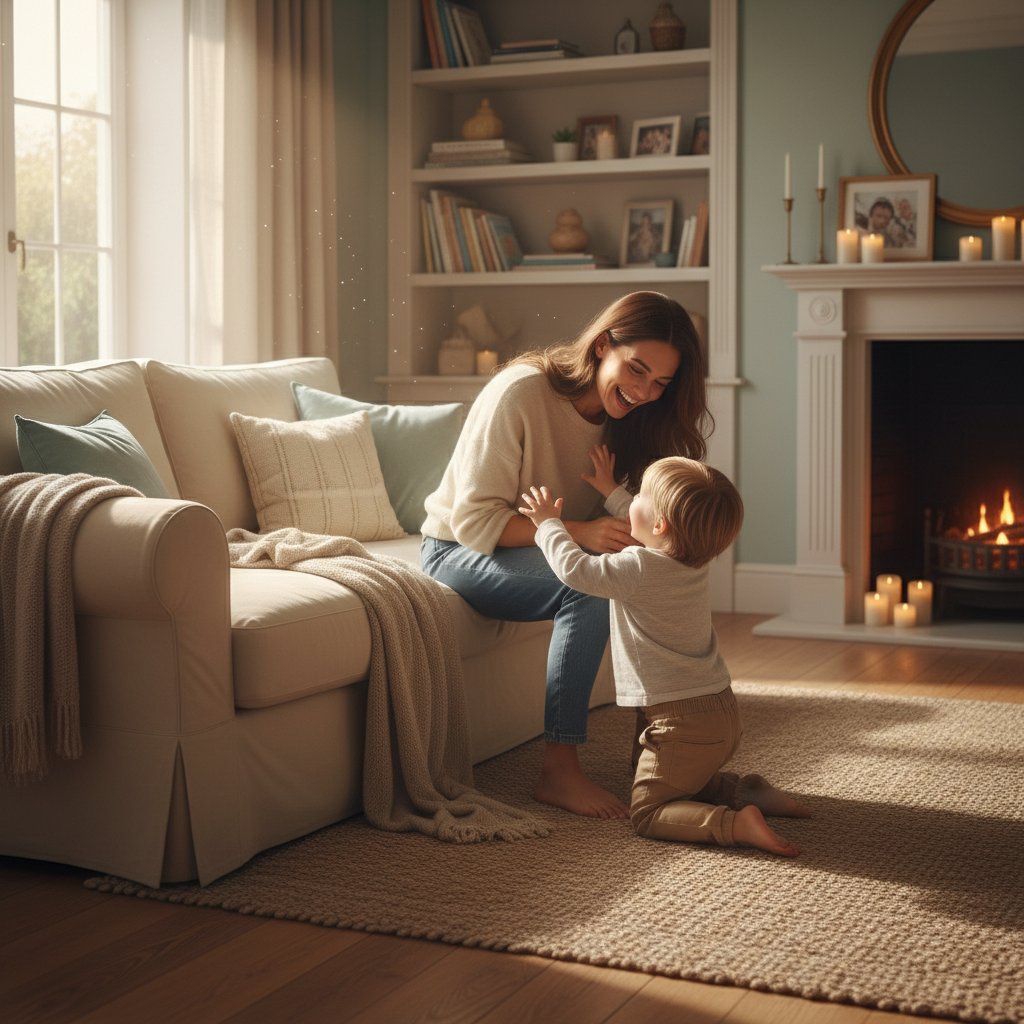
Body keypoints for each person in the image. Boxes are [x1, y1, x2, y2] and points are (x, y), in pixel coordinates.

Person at [420, 291, 711, 819]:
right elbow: (474, 521)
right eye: (637, 370)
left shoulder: (636, 417)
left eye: (661, 383)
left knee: (648, 577)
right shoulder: (521, 392)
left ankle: (655, 749)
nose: (645, 392)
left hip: (551, 543)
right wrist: (579, 531)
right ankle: (559, 770)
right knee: (587, 587)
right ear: (603, 345)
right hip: (460, 549)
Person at [518, 449, 812, 855]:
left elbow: (576, 571)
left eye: (639, 496)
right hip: (719, 709)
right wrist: (612, 492)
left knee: (649, 810)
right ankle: (746, 791)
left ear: (659, 523)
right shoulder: (695, 558)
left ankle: (735, 821)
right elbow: (651, 522)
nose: (630, 501)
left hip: (680, 723)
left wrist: (549, 524)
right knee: (682, 775)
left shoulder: (637, 567)